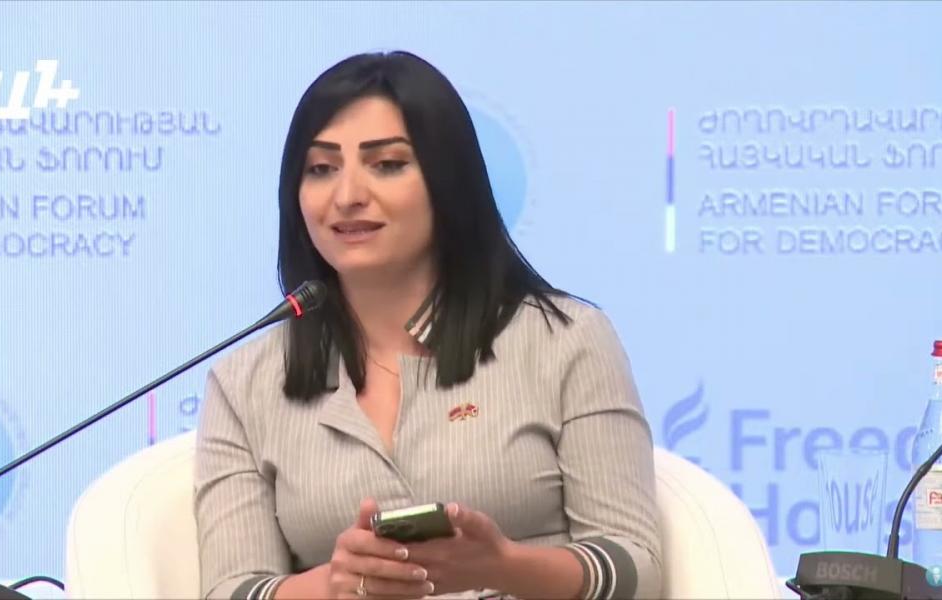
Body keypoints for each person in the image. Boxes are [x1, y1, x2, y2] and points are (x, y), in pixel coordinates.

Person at [194, 50, 662, 600]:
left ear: (448, 181)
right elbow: (229, 589)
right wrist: (332, 585)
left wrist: (505, 567)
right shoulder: (244, 383)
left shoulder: (567, 341)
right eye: (321, 169)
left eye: (387, 164)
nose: (347, 196)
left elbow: (638, 567)